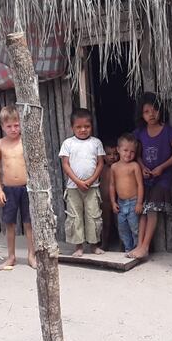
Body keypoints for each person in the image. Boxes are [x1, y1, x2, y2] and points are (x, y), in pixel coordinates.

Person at [128, 93, 172, 259]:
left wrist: (162, 167)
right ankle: (140, 246)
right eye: (146, 111)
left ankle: (144, 246)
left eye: (154, 110)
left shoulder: (167, 131)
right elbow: (136, 155)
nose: (151, 114)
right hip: (146, 178)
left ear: (161, 111)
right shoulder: (140, 133)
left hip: (162, 178)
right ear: (141, 115)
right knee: (144, 210)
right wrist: (143, 167)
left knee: (151, 209)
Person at [0, 105, 37, 270]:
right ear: (2, 126)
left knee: (29, 223)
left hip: (27, 188)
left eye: (16, 125)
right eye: (9, 126)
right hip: (9, 189)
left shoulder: (26, 141)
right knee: (9, 223)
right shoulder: (0, 144)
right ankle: (11, 256)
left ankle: (31, 255)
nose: (13, 129)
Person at [59, 108, 106, 257]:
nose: (83, 130)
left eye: (86, 126)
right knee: (75, 216)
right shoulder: (68, 143)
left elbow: (100, 163)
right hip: (73, 188)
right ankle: (78, 247)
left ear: (92, 126)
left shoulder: (96, 143)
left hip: (92, 187)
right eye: (78, 127)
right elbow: (65, 164)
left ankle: (94, 245)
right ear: (72, 127)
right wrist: (78, 181)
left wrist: (91, 180)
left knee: (93, 215)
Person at [109, 133, 144, 253]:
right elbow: (112, 185)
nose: (128, 154)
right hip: (121, 203)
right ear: (118, 150)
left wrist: (139, 203)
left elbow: (140, 185)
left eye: (132, 152)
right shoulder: (114, 167)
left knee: (135, 227)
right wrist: (113, 202)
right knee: (123, 228)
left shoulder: (135, 166)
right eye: (125, 150)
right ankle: (128, 248)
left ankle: (137, 248)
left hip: (133, 202)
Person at [99, 143, 119, 250]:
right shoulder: (101, 168)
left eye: (115, 154)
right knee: (105, 223)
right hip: (105, 202)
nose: (112, 157)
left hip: (118, 201)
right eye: (108, 154)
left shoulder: (119, 167)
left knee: (119, 224)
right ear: (103, 155)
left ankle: (123, 246)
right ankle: (104, 244)